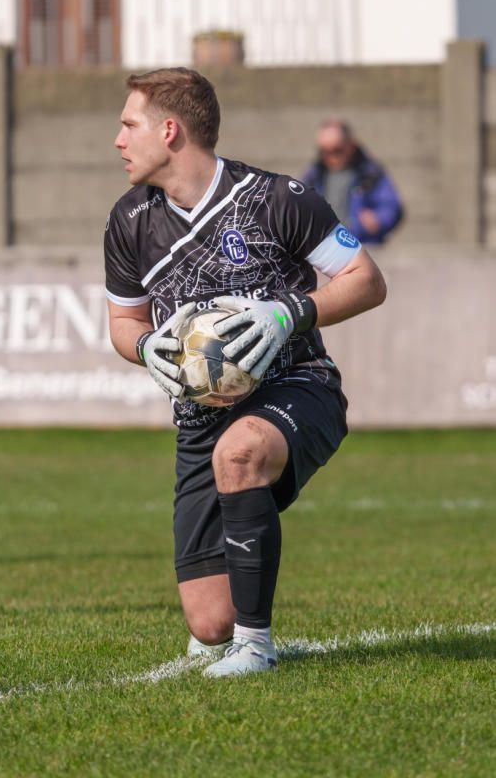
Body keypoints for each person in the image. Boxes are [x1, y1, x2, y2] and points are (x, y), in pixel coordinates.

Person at [104, 68, 387, 678]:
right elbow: (122, 322)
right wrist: (149, 345)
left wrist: (290, 311)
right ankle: (233, 632)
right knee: (209, 623)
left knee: (241, 453)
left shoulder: (277, 198)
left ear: (170, 130)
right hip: (200, 418)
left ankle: (256, 646)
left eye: (129, 124)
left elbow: (367, 281)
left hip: (298, 386)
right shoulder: (128, 222)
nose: (119, 140)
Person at [301, 119, 403, 245]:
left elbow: (391, 206)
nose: (331, 157)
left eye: (337, 150)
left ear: (351, 145)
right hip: (324, 248)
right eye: (324, 151)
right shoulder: (313, 175)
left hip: (363, 246)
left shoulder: (370, 173)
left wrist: (378, 219)